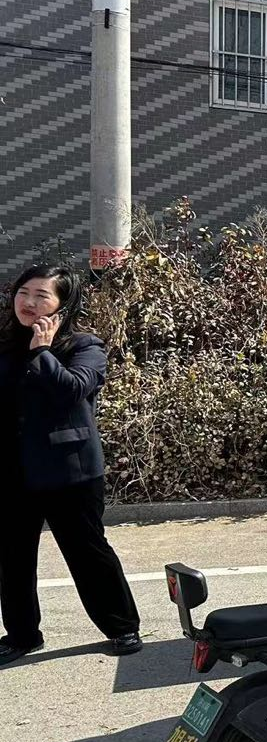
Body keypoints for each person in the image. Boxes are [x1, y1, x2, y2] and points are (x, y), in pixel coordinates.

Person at [0, 264, 141, 667]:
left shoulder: (84, 346)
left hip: (69, 471)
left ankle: (122, 626)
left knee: (87, 551)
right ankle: (22, 635)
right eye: (23, 292)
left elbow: (73, 391)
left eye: (41, 296)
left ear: (62, 305)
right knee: (13, 558)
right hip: (13, 471)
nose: (29, 302)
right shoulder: (4, 346)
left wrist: (42, 351)